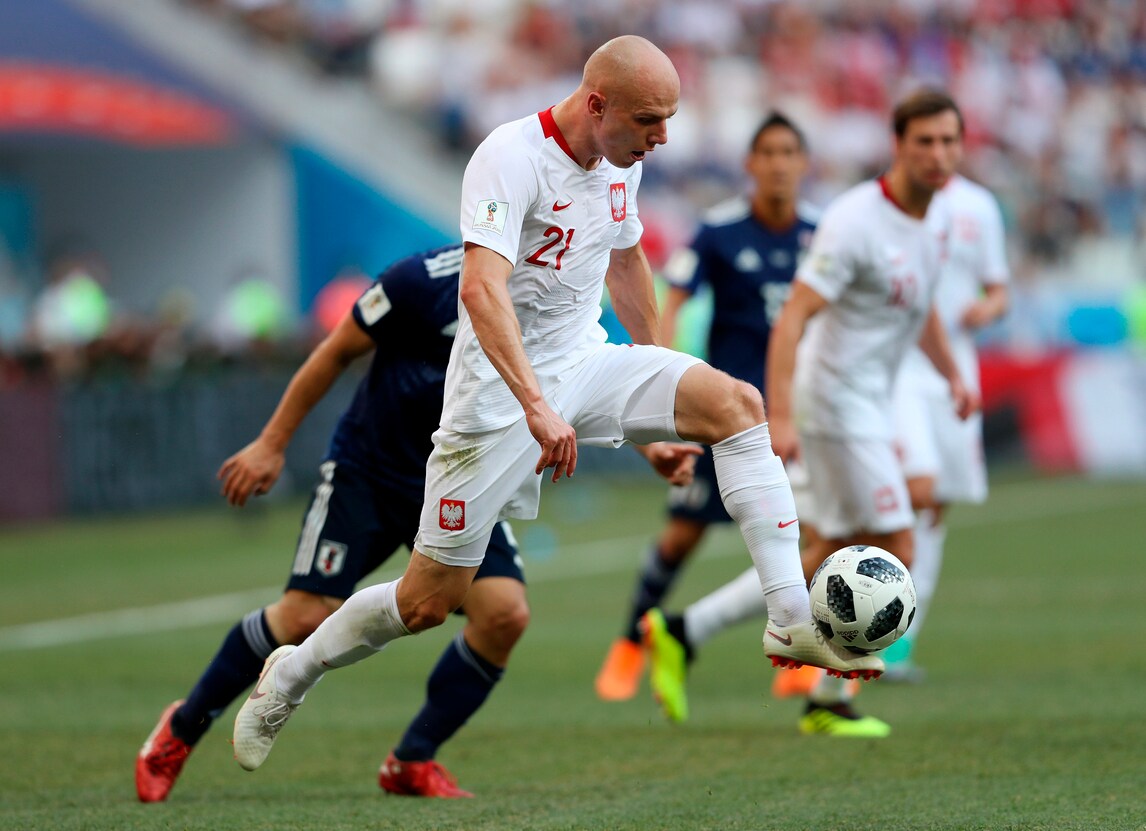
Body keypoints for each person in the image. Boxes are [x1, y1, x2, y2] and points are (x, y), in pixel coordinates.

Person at [231, 35, 886, 777]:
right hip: (493, 402)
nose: (662, 138)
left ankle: (790, 617)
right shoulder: (509, 158)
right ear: (597, 104)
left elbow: (627, 262)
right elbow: (480, 289)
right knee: (425, 603)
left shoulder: (622, 159)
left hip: (585, 361)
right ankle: (291, 674)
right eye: (649, 120)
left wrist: (660, 390)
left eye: (668, 120)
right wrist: (537, 406)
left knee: (737, 403)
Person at [136, 244, 694, 801]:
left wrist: (652, 448)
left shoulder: (555, 298)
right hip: (370, 473)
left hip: (463, 479)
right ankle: (180, 730)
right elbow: (334, 352)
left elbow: (588, 384)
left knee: (504, 615)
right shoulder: (420, 280)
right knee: (305, 614)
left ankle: (411, 759)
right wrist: (271, 442)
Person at [594, 112, 819, 706]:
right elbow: (673, 300)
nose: (778, 164)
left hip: (796, 414)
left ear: (803, 163)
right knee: (681, 536)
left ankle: (802, 655)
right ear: (750, 164)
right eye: (768, 152)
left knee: (812, 533)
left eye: (789, 153)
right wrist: (662, 378)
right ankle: (629, 643)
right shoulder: (720, 232)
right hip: (728, 416)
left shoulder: (820, 235)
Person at [882, 171, 1010, 681]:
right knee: (914, 491)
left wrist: (989, 308)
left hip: (954, 371)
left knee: (935, 507)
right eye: (926, 139)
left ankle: (898, 644)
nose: (936, 151)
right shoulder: (882, 201)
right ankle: (848, 616)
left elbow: (999, 289)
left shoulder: (979, 206)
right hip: (896, 368)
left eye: (946, 139)